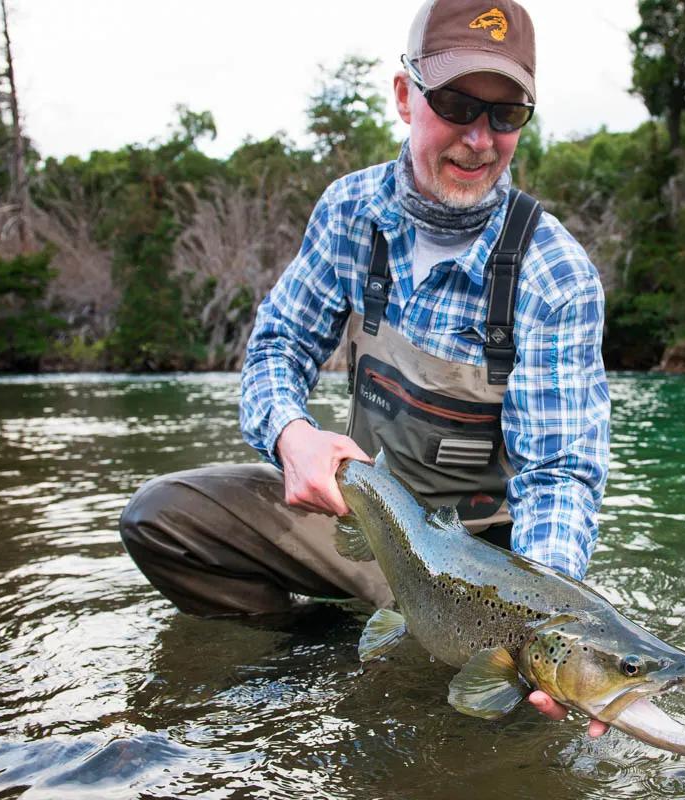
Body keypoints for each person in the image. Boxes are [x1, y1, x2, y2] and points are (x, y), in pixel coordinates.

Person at [119, 0, 610, 738]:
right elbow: (276, 345)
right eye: (456, 105)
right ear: (407, 95)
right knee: (162, 521)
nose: (479, 140)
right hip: (368, 527)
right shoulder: (350, 211)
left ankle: (426, 651)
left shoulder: (555, 275)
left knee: (521, 726)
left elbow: (558, 476)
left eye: (505, 116)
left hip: (484, 571)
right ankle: (309, 655)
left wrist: (545, 636)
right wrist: (291, 433)